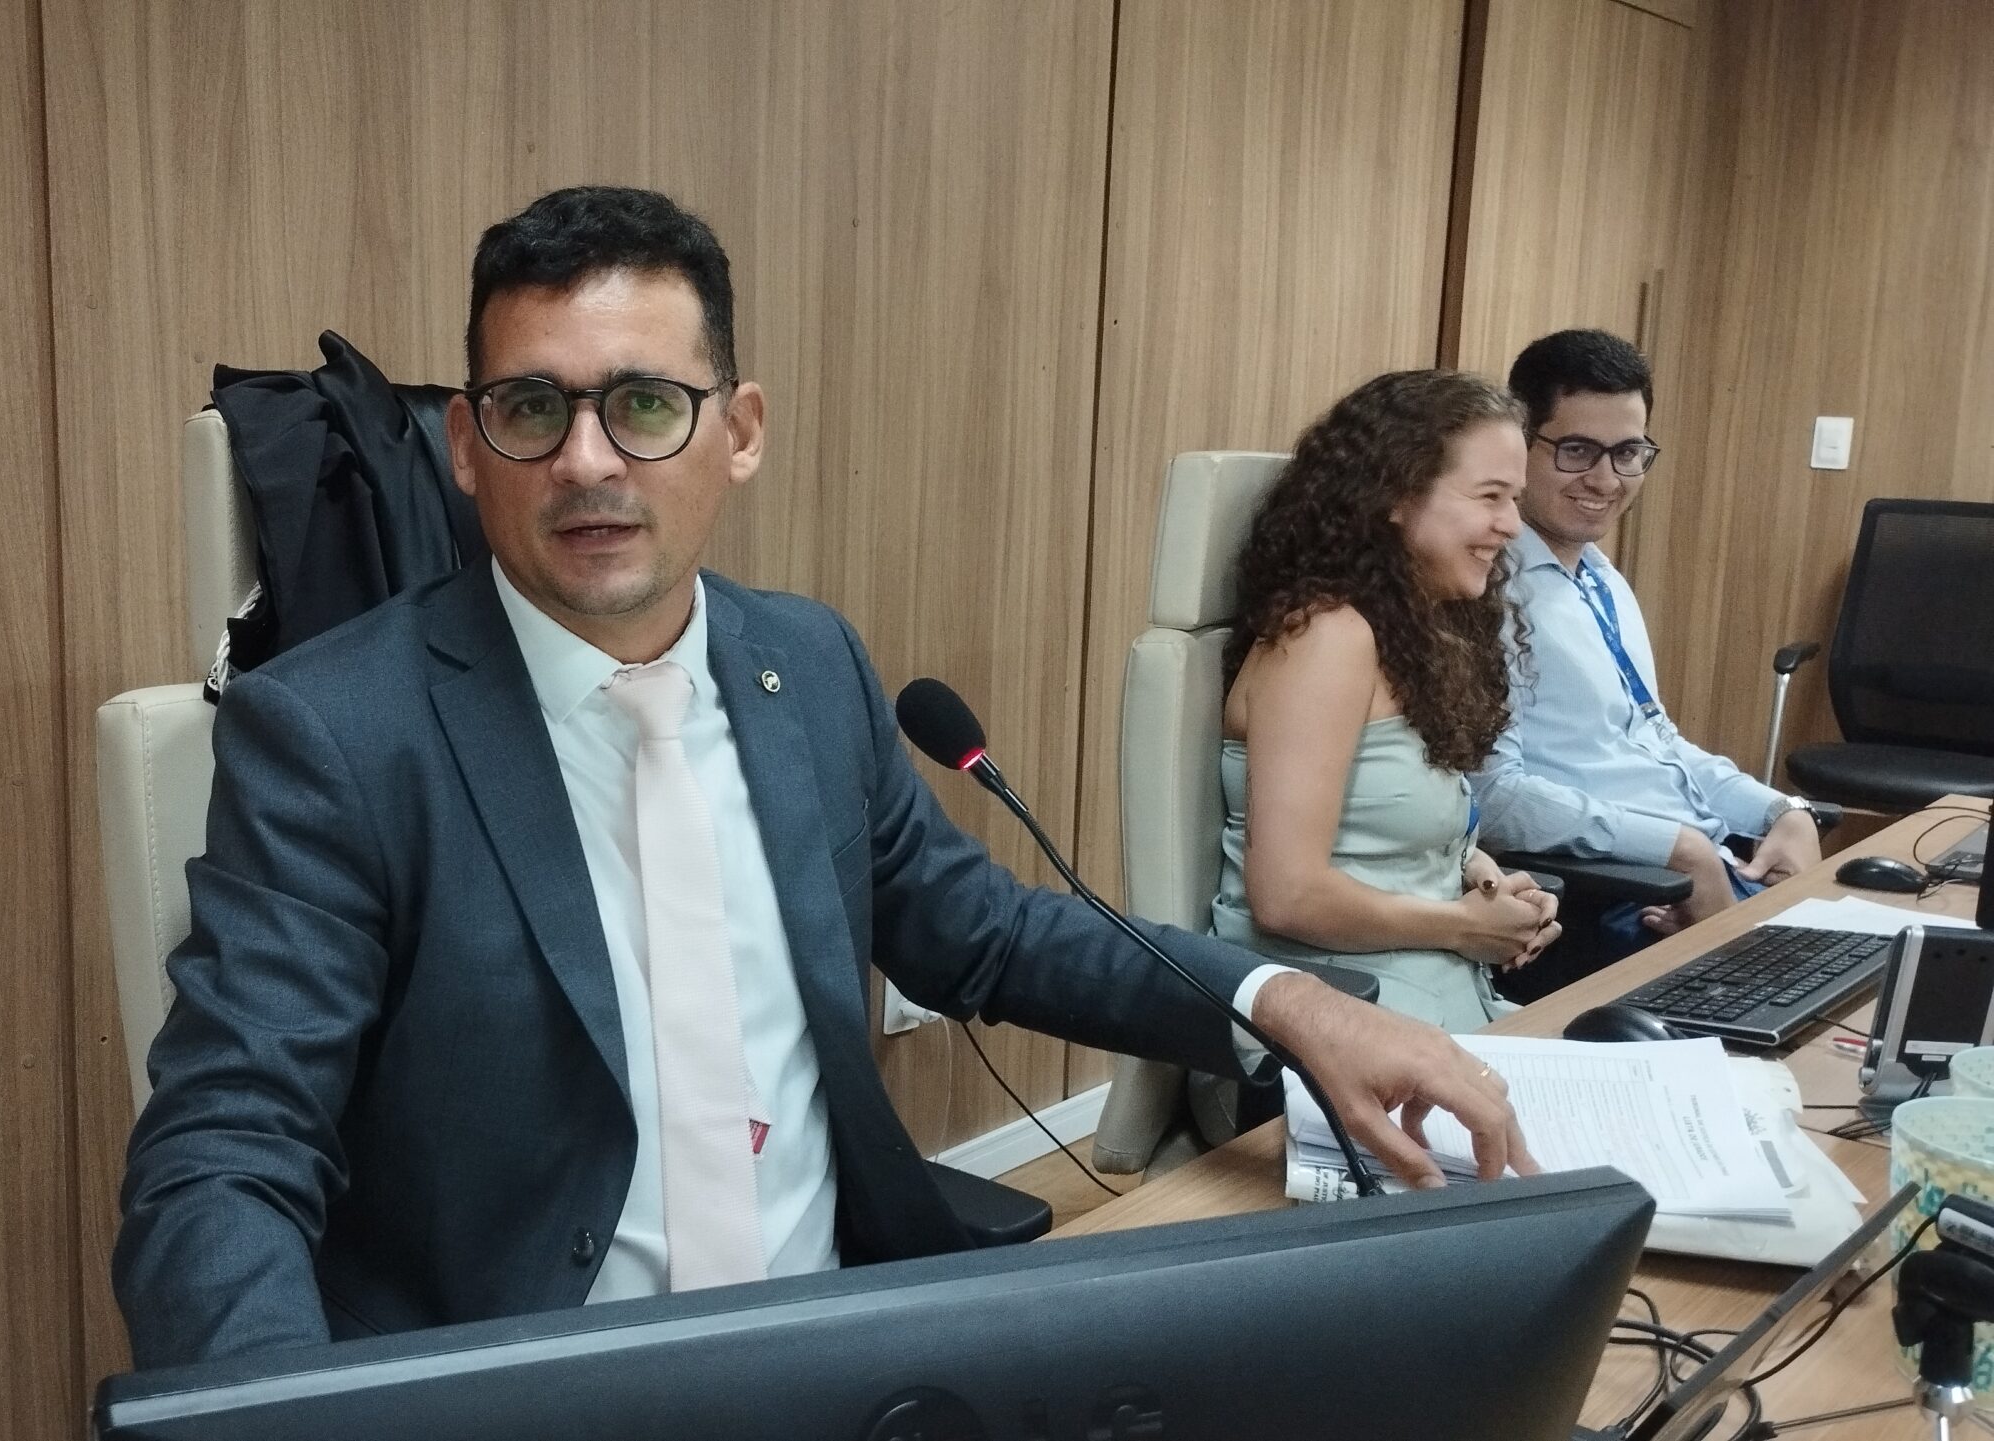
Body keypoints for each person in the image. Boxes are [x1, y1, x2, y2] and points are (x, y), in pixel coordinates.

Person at [112, 186, 1533, 1368]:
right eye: (533, 407)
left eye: (647, 403)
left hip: (839, 1348)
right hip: (533, 1377)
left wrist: (1282, 1001)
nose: (589, 461)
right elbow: (225, 1151)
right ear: (469, 450)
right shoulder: (336, 734)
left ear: (740, 431)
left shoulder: (806, 662)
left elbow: (980, 932)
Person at [1211, 370, 1562, 1031]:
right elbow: (1286, 896)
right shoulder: (1323, 637)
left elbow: (1385, 830)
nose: (1513, 524)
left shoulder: (1412, 633)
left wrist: (1481, 880)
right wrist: (1463, 926)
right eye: (1490, 496)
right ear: (1397, 494)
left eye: (1515, 499)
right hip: (1325, 1025)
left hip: (1423, 1004)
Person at [1472, 330, 1819, 959]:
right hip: (1628, 893)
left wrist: (1783, 810)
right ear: (1520, 443)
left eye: (1627, 452)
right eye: (1577, 450)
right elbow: (1490, 796)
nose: (1606, 479)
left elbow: (1655, 740)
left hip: (1706, 863)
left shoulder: (1599, 576)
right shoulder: (1486, 589)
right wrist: (1678, 849)